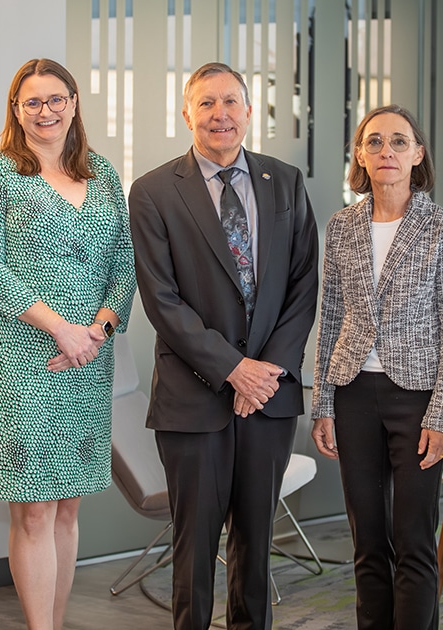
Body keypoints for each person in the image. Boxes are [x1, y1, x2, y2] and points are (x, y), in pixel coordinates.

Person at [129, 61, 319, 630]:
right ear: (186, 113)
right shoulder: (154, 191)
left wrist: (267, 373)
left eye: (231, 102)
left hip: (270, 399)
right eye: (206, 103)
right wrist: (234, 369)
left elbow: (303, 286)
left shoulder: (284, 182)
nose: (220, 115)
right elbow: (161, 300)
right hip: (193, 401)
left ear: (248, 112)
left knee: (256, 547)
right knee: (193, 552)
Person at [0, 58, 135, 629]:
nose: (46, 111)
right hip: (19, 353)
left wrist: (100, 329)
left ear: (75, 102)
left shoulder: (104, 174)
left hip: (88, 356)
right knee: (33, 507)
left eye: (56, 99)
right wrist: (61, 328)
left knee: (67, 504)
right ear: (16, 110)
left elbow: (123, 266)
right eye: (32, 102)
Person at [310, 104, 443, 630]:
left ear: (418, 154)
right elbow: (330, 316)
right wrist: (323, 404)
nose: (387, 152)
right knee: (367, 542)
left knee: (414, 540)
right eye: (374, 142)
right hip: (353, 393)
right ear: (360, 154)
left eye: (399, 142)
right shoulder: (341, 227)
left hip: (418, 400)